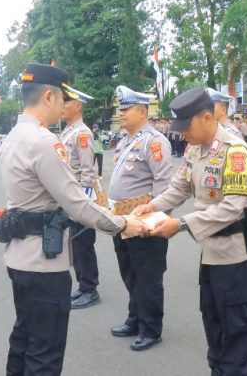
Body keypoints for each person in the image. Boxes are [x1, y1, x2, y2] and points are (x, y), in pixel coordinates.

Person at [0, 64, 146, 375]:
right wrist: (122, 224)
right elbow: (77, 204)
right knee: (45, 354)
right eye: (62, 99)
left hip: (19, 257)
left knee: (23, 339)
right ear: (48, 96)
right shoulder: (43, 141)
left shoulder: (12, 137)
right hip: (44, 263)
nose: (63, 106)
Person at [132, 88, 247, 375]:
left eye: (185, 127)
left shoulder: (236, 151)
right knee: (214, 326)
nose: (181, 134)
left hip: (235, 258)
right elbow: (179, 188)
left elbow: (231, 208)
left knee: (236, 333)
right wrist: (151, 206)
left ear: (207, 117)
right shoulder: (194, 149)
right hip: (211, 255)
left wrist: (180, 224)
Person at [109, 85, 172, 351]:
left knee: (147, 277)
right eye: (120, 108)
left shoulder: (154, 141)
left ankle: (150, 328)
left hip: (144, 220)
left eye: (126, 109)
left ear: (142, 111)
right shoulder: (125, 140)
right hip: (122, 219)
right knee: (130, 273)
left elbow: (163, 184)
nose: (121, 113)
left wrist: (154, 220)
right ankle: (135, 319)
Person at [59, 89, 103, 309]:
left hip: (79, 196)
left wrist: (83, 204)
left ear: (77, 105)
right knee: (75, 244)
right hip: (70, 197)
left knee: (83, 244)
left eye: (65, 102)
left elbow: (87, 172)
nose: (61, 105)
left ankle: (90, 288)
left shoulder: (82, 134)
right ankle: (83, 286)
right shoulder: (68, 131)